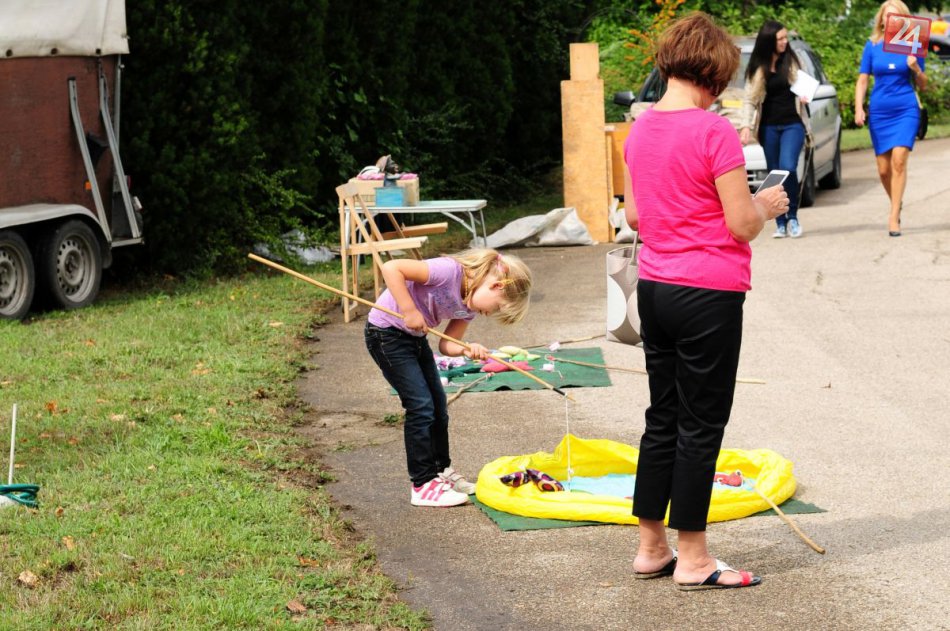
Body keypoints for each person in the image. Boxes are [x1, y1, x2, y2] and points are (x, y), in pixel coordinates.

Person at [622, 12, 789, 590]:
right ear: (714, 73)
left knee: (662, 417)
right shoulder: (714, 132)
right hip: (708, 293)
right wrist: (766, 204)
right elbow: (741, 224)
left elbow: (635, 216)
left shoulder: (639, 130)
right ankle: (693, 558)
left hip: (655, 289)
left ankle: (652, 547)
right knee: (700, 424)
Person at [364, 249, 531, 507]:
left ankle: (440, 470)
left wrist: (466, 349)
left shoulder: (469, 306)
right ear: (496, 286)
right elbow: (391, 268)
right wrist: (409, 310)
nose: (489, 313)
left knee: (438, 407)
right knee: (421, 406)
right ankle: (422, 484)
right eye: (497, 307)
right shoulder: (448, 271)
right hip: (385, 334)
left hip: (414, 339)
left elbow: (446, 345)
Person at [854, 0, 927, 237]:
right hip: (880, 111)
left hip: (906, 109)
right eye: (887, 16)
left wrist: (916, 69)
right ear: (882, 20)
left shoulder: (913, 43)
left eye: (896, 16)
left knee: (899, 160)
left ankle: (893, 216)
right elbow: (863, 80)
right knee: (884, 170)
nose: (891, 21)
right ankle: (897, 201)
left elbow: (924, 85)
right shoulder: (872, 45)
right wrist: (858, 108)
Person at [739, 20, 811, 239]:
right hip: (769, 126)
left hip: (792, 123)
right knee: (774, 172)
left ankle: (793, 217)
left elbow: (806, 84)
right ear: (769, 40)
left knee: (788, 167)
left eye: (785, 37)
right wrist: (746, 126)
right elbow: (749, 99)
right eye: (780, 38)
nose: (784, 42)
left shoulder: (792, 61)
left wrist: (806, 95)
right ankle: (780, 222)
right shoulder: (758, 67)